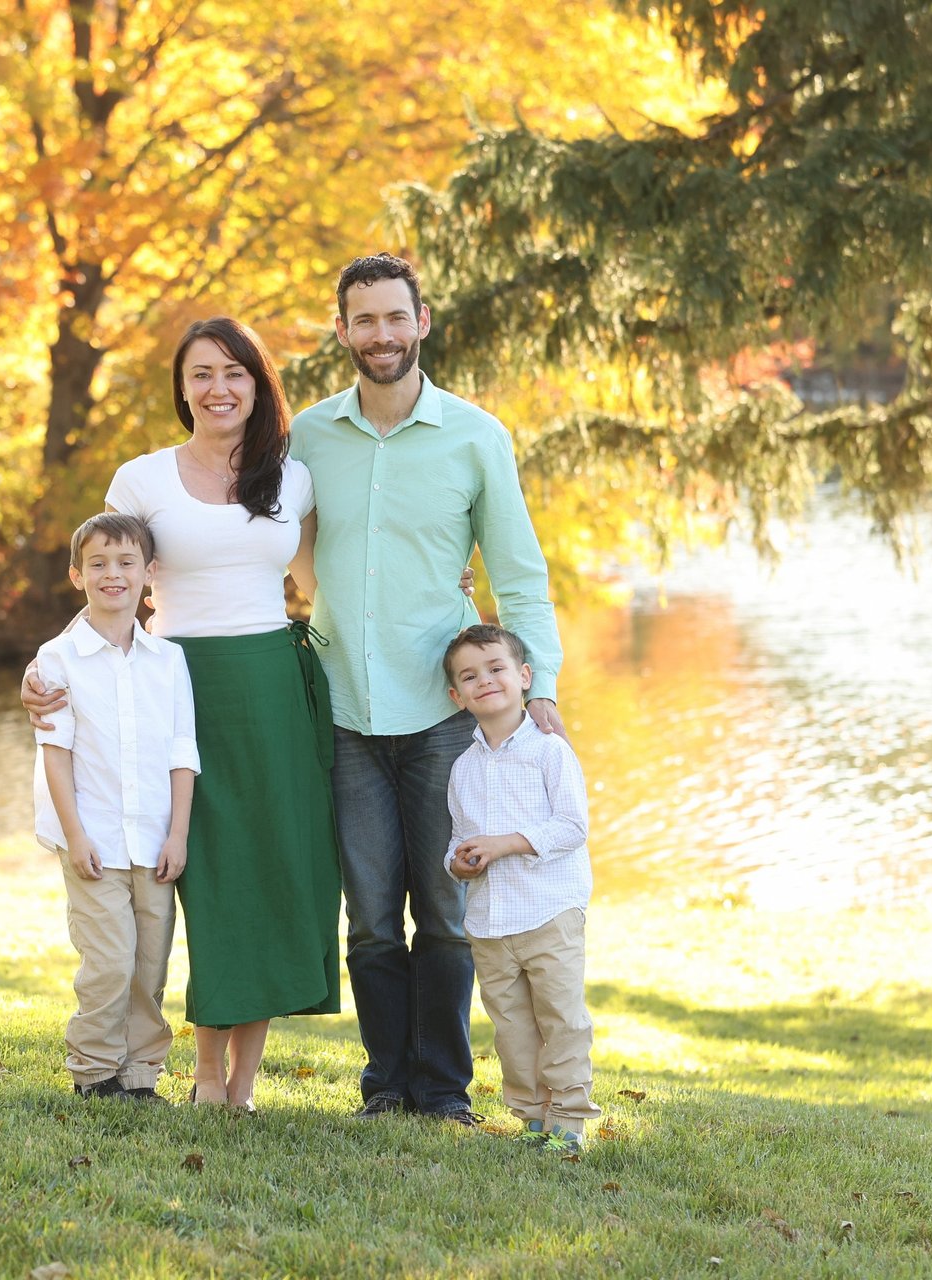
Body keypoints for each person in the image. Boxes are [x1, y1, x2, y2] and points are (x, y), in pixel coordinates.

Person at [31, 317, 343, 1111]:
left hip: (272, 683)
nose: (219, 388)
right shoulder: (141, 480)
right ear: (182, 388)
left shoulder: (293, 479)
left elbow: (316, 584)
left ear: (257, 384)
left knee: (270, 873)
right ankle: (193, 1073)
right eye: (201, 373)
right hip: (173, 680)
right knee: (204, 881)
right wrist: (44, 670)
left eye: (235, 372)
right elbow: (110, 585)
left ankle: (240, 1084)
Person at [291, 253, 565, 1123]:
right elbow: (271, 539)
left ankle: (443, 1088)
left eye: (393, 318)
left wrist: (542, 684)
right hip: (342, 711)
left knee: (446, 912)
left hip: (446, 715)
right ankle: (385, 1086)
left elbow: (519, 577)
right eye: (362, 320)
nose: (380, 335)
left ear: (423, 321)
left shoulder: (476, 436)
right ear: (342, 331)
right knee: (371, 916)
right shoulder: (307, 435)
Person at [34, 512, 199, 1103]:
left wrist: (178, 834)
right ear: (76, 575)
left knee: (149, 961)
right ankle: (95, 1072)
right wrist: (74, 836)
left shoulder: (168, 660)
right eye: (98, 564)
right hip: (94, 837)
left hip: (155, 837)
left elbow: (184, 751)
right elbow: (56, 755)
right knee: (107, 959)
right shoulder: (57, 660)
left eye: (126, 563)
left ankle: (139, 1076)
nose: (113, 574)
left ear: (148, 574)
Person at [441, 624, 598, 1152]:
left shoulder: (550, 752)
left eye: (496, 668)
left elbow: (573, 827)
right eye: (470, 676)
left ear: (524, 676)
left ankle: (569, 1122)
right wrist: (458, 864)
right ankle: (531, 1119)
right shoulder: (462, 768)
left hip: (550, 911)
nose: (485, 680)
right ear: (456, 696)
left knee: (561, 1018)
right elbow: (462, 839)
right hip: (490, 922)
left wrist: (505, 843)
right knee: (511, 1029)